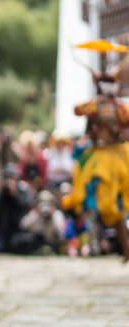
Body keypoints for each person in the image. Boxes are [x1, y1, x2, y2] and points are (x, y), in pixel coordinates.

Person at [62, 46, 129, 262]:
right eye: (106, 83)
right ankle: (84, 242)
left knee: (114, 205)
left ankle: (124, 247)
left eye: (113, 83)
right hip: (97, 157)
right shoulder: (95, 105)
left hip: (117, 157)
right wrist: (98, 100)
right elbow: (77, 109)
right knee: (88, 200)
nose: (111, 87)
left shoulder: (120, 107)